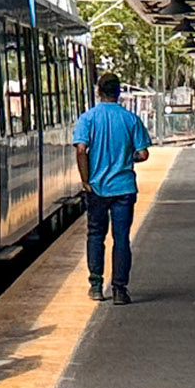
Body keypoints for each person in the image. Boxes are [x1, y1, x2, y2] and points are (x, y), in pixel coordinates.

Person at [73, 72, 151, 305]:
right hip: (124, 188)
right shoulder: (130, 119)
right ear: (119, 93)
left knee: (96, 235)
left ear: (98, 91)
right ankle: (119, 290)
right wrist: (127, 158)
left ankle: (96, 286)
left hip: (96, 188)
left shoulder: (87, 119)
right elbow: (144, 153)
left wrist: (86, 180)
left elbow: (80, 151)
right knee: (121, 238)